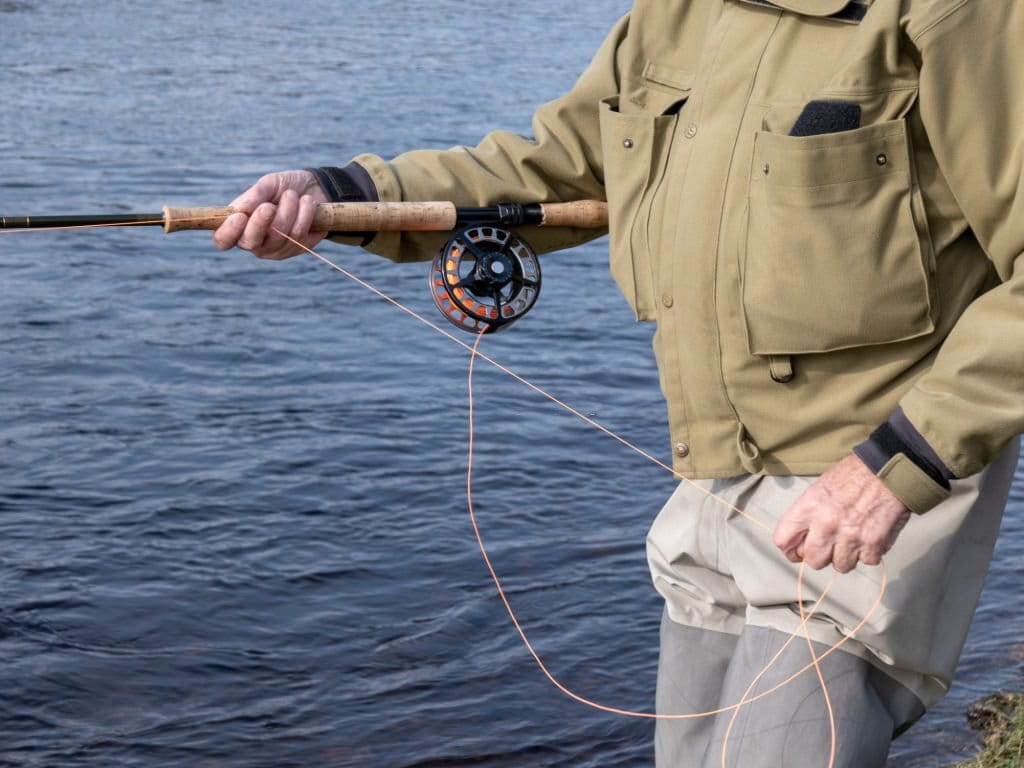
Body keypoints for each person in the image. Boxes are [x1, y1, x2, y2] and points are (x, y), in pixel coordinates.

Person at [212, 1, 1024, 765]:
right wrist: (345, 195)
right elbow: (558, 165)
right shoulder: (673, 14)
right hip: (707, 490)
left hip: (867, 487)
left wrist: (897, 465)